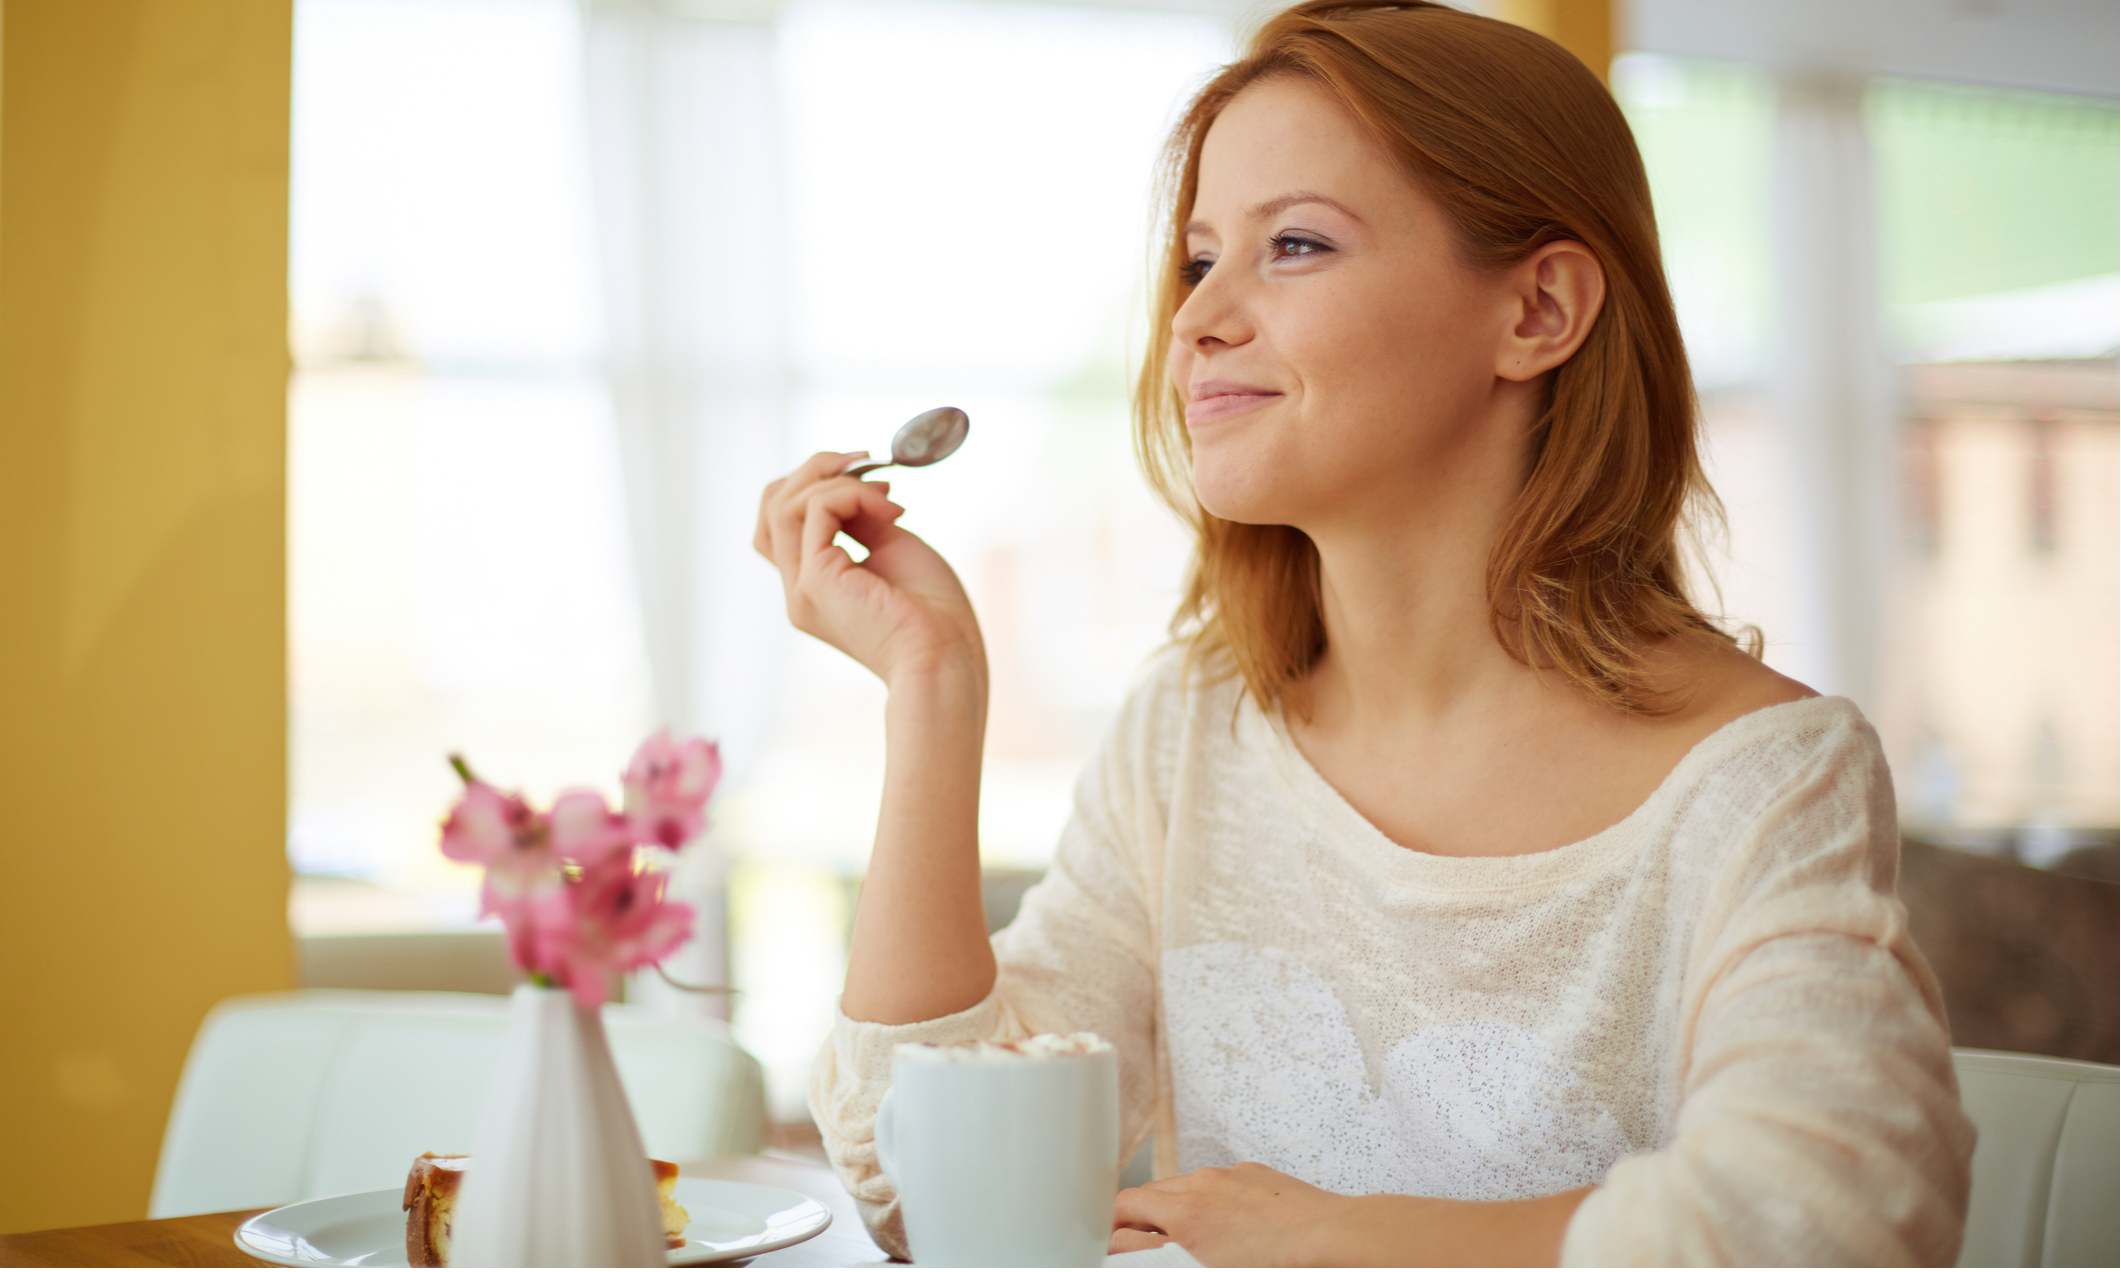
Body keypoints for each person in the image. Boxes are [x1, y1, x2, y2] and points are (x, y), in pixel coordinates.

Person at [755, 1, 1974, 1263]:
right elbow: (933, 1192)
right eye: (1196, 260)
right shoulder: (1192, 732)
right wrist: (933, 690)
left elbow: (1829, 1225)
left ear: (1538, 311)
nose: (1196, 320)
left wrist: (1335, 1236)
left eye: (1294, 244)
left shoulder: (1769, 778)